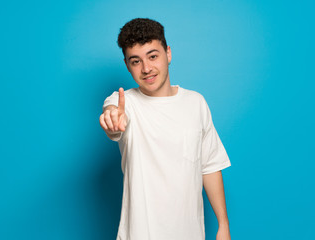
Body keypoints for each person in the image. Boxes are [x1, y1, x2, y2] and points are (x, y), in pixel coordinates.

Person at [99, 18, 231, 240]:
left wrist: (223, 226)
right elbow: (112, 119)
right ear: (127, 65)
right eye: (136, 61)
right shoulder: (124, 103)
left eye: (153, 56)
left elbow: (210, 165)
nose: (146, 68)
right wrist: (112, 120)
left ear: (168, 53)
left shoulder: (196, 103)